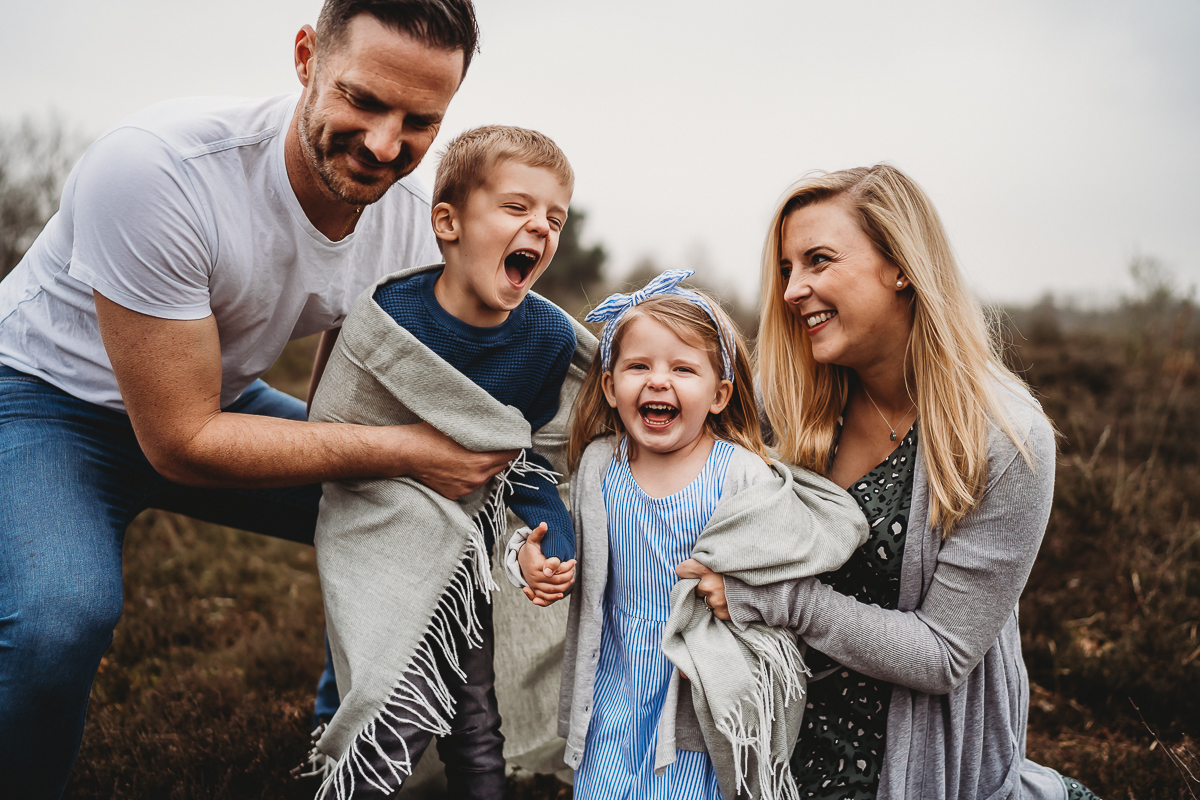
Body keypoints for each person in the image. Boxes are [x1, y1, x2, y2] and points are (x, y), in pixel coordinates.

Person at [0, 2, 517, 798]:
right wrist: (410, 451)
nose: (386, 145)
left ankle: (342, 756)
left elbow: (350, 407)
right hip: (42, 400)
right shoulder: (157, 170)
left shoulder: (414, 230)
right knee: (60, 618)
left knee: (437, 526)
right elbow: (179, 442)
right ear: (306, 57)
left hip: (216, 399)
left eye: (420, 120)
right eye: (365, 101)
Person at [679, 165, 1101, 799]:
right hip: (770, 751)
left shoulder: (1003, 439)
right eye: (789, 269)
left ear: (901, 266)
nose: (794, 290)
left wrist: (779, 600)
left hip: (911, 765)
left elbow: (943, 655)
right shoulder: (785, 407)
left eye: (818, 260)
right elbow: (639, 425)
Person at [508, 272, 869, 800]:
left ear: (720, 394)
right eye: (638, 366)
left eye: (683, 368)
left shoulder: (741, 474)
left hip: (697, 702)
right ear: (610, 386)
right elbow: (571, 545)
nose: (658, 381)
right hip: (613, 686)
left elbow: (776, 568)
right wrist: (532, 561)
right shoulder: (599, 465)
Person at [304, 125, 585, 800]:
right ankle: (338, 773)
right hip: (380, 535)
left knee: (474, 715)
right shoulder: (390, 319)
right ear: (448, 222)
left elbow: (535, 455)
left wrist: (557, 541)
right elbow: (334, 430)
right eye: (518, 208)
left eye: (555, 217)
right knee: (370, 687)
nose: (539, 228)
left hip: (469, 555)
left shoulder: (546, 336)